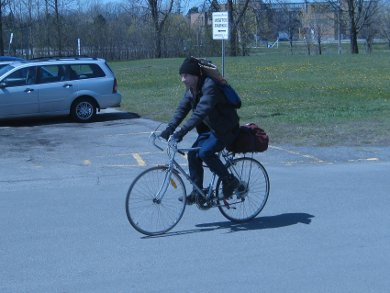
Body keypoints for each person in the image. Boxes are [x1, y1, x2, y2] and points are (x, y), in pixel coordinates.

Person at [160, 57, 241, 204]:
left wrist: (181, 132)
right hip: (211, 130)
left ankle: (229, 180)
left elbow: (200, 113)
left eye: (186, 76)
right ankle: (198, 192)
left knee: (205, 152)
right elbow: (181, 110)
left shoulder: (210, 87)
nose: (182, 80)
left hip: (226, 129)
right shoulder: (191, 90)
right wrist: (169, 128)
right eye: (181, 76)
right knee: (193, 154)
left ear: (195, 75)